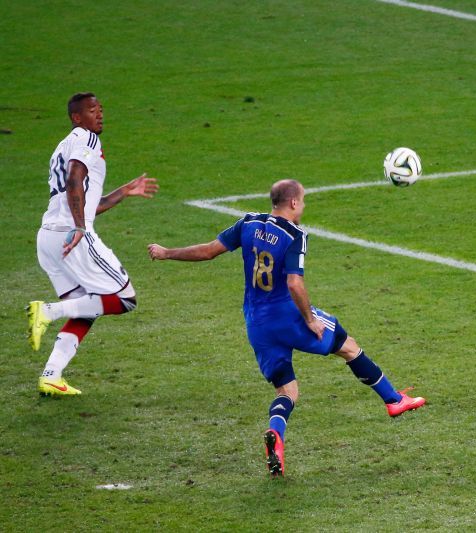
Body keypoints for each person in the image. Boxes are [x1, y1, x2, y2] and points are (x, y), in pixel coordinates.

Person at [147, 179, 425, 476]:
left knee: (287, 390)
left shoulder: (248, 223)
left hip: (257, 324)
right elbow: (294, 282)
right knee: (349, 347)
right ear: (293, 203)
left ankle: (276, 436)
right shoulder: (294, 235)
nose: (303, 206)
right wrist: (309, 318)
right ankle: (394, 400)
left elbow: (207, 251)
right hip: (288, 317)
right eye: (302, 200)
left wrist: (166, 252)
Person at [28, 93, 158, 396]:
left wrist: (123, 192)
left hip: (48, 236)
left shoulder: (64, 144)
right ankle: (47, 311)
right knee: (125, 298)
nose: (99, 114)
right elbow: (75, 181)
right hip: (70, 236)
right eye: (91, 110)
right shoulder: (87, 140)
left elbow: (84, 200)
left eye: (100, 109)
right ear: (77, 117)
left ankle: (51, 375)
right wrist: (79, 227)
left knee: (86, 309)